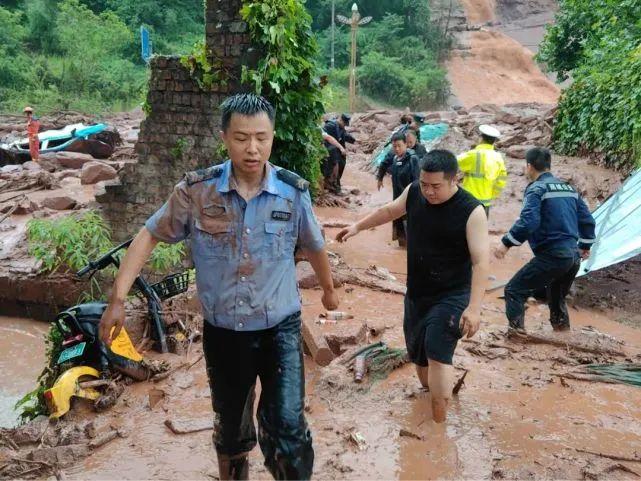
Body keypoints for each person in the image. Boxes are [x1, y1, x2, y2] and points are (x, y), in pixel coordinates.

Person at [98, 93, 339, 480]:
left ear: (272, 136)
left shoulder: (292, 193)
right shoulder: (197, 192)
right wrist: (117, 299)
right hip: (225, 332)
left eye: (262, 137)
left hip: (281, 328)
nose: (253, 148)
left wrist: (328, 290)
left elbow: (313, 245)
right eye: (242, 138)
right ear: (224, 137)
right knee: (230, 429)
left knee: (289, 427)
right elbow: (148, 235)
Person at [338, 150, 489, 422]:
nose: (429, 192)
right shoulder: (414, 192)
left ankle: (440, 430)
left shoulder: (472, 211)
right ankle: (436, 397)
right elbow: (389, 211)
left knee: (437, 354)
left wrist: (475, 308)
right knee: (421, 367)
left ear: (455, 179)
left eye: (436, 186)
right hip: (417, 294)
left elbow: (481, 262)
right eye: (424, 184)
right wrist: (357, 227)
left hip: (452, 295)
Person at [494, 147, 596, 332]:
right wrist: (585, 245)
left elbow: (529, 222)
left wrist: (506, 243)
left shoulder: (536, 189)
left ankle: (517, 335)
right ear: (549, 165)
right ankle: (563, 335)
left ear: (529, 166)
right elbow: (587, 220)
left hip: (553, 255)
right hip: (573, 257)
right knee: (556, 297)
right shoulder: (569, 189)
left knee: (514, 290)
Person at [376, 132, 421, 246]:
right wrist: (380, 178)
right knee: (399, 225)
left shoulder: (413, 159)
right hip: (397, 198)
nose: (396, 149)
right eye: (394, 146)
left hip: (410, 199)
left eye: (399, 145)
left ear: (406, 144)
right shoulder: (395, 158)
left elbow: (417, 181)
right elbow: (383, 165)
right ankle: (402, 248)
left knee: (411, 229)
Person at [457, 124, 507, 217]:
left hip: (469, 200)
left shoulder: (473, 154)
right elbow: (502, 180)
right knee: (481, 228)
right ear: (494, 142)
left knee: (465, 228)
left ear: (480, 139)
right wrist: (493, 194)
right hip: (486, 201)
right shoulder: (498, 157)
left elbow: (455, 161)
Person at [322, 113, 355, 193]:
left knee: (342, 162)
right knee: (335, 162)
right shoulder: (330, 125)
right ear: (340, 120)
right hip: (328, 148)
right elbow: (324, 137)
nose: (345, 126)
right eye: (344, 124)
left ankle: (335, 183)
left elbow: (344, 136)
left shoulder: (340, 127)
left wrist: (353, 140)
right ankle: (331, 184)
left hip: (336, 149)